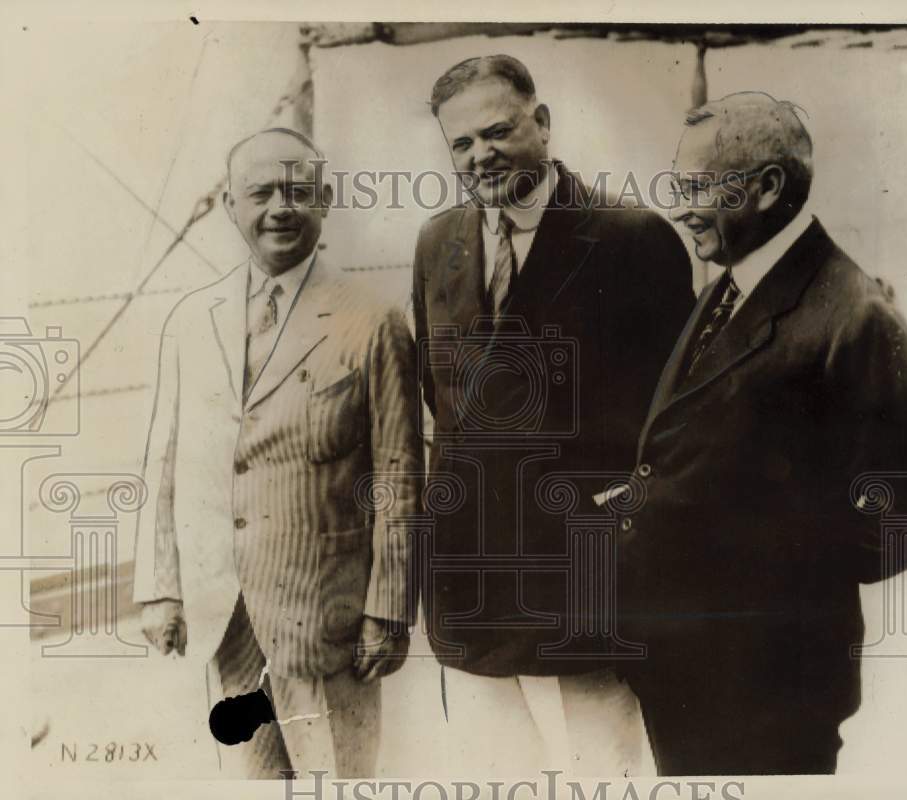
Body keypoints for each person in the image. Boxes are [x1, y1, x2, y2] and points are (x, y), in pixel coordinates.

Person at [622, 92, 907, 774]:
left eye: (696, 188)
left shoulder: (856, 315)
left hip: (768, 687)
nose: (680, 206)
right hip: (689, 669)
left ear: (767, 188)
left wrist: (719, 528)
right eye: (675, 186)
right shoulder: (733, 280)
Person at [411, 55, 694, 776]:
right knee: (493, 768)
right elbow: (436, 395)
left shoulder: (633, 238)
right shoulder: (437, 242)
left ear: (542, 123)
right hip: (469, 573)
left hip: (584, 574)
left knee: (605, 764)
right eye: (462, 145)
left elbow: (679, 419)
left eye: (498, 130)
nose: (483, 154)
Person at [132, 128, 423, 778]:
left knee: (340, 783)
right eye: (260, 192)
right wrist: (161, 591)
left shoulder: (372, 319)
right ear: (231, 206)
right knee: (251, 785)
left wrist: (389, 609)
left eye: (298, 191)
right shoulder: (190, 317)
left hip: (329, 620)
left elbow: (401, 474)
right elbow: (166, 460)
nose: (280, 208)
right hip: (224, 616)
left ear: (325, 200)